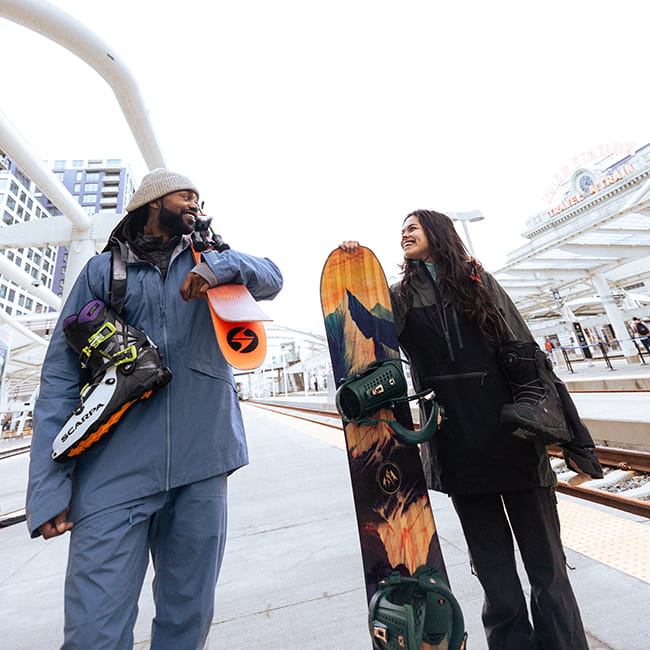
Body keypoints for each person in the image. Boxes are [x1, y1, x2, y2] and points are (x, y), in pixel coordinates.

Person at [26, 168, 283, 649]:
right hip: (112, 471)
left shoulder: (213, 259)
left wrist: (217, 269)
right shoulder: (102, 274)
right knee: (92, 632)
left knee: (187, 621)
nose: (194, 203)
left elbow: (272, 275)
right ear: (152, 203)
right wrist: (47, 486)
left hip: (203, 462)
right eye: (185, 194)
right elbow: (59, 378)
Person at [340, 209, 601, 650]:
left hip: (515, 440)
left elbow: (528, 355)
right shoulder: (400, 296)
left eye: (414, 226)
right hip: (457, 446)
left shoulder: (479, 281)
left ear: (439, 233)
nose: (405, 232)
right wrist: (353, 268)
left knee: (547, 569)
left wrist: (575, 437)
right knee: (495, 574)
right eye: (401, 228)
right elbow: (366, 326)